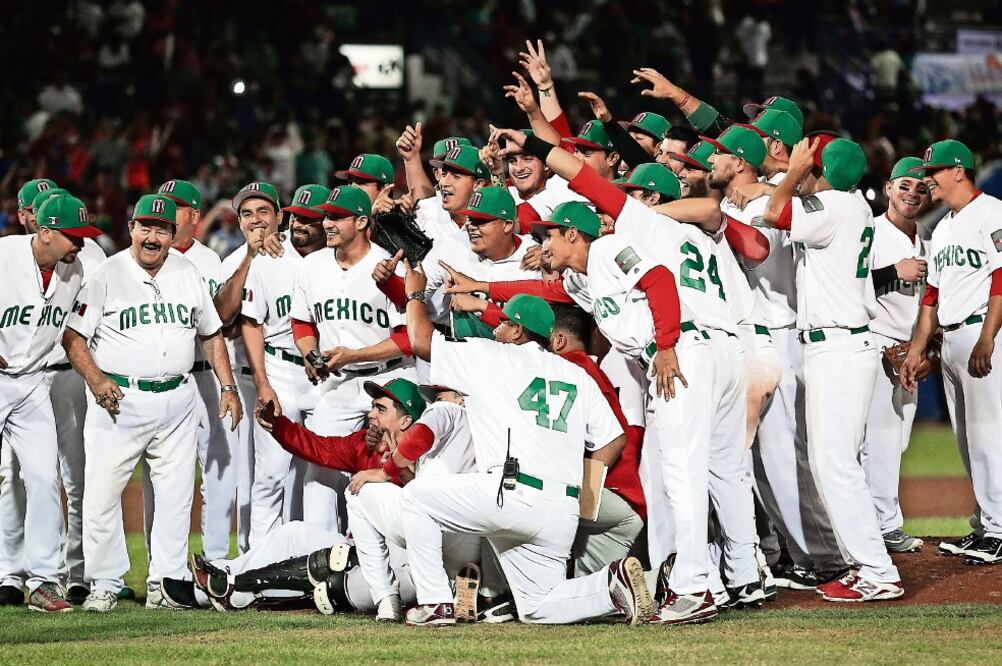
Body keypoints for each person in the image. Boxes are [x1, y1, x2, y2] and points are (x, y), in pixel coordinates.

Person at [400, 279, 647, 627]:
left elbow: (420, 340)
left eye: (503, 323)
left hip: (511, 493)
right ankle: (611, 586)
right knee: (537, 606)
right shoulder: (576, 375)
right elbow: (613, 440)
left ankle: (436, 603)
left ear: (518, 331)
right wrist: (577, 482)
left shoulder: (493, 356)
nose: (496, 328)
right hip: (562, 509)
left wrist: (414, 295)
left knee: (416, 499)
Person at [63, 194, 242, 613]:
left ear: (172, 233)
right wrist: (96, 379)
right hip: (119, 401)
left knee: (177, 496)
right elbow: (73, 338)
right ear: (131, 229)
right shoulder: (107, 274)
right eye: (145, 227)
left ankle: (166, 582)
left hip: (178, 399)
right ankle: (105, 582)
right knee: (102, 494)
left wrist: (228, 387)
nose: (152, 236)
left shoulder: (188, 273)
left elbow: (211, 334)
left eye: (161, 228)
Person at [760, 136, 904, 602]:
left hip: (839, 346)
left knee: (836, 465)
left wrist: (789, 173)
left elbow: (774, 214)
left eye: (811, 160)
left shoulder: (834, 205)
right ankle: (869, 565)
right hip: (838, 343)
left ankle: (878, 570)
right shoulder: (848, 207)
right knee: (835, 464)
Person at [1, 184, 106, 607]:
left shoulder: (75, 271)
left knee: (44, 477)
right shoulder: (4, 255)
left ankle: (43, 580)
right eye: (72, 236)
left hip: (32, 384)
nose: (80, 244)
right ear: (45, 231)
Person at [290, 184, 416, 533]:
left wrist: (355, 355)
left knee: (395, 467)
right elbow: (301, 321)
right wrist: (309, 353)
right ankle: (319, 556)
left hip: (390, 381)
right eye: (326, 216)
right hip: (339, 384)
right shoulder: (312, 266)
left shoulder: (386, 266)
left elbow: (409, 339)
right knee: (318, 466)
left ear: (361, 222)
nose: (327, 223)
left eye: (337, 217)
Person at [902, 139, 1002, 566]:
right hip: (951, 338)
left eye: (935, 171)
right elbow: (932, 296)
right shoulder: (942, 227)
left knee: (988, 435)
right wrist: (916, 349)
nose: (928, 180)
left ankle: (999, 530)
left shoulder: (992, 212)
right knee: (965, 437)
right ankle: (984, 524)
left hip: (982, 331)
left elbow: (1001, 279)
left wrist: (988, 336)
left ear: (959, 171)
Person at [344, 383, 478, 622]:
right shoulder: (489, 422)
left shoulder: (448, 411)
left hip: (433, 524)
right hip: (472, 533)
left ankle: (390, 601)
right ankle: (476, 592)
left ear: (460, 397)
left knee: (357, 492)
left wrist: (384, 472)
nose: (436, 402)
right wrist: (402, 469)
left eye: (440, 395)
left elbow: (420, 438)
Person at [243, 184, 328, 545]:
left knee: (324, 475)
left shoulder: (339, 262)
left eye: (310, 219)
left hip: (327, 376)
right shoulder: (268, 260)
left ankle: (321, 561)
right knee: (270, 475)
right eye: (296, 216)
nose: (299, 224)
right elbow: (251, 323)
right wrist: (263, 383)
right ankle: (259, 565)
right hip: (279, 369)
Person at [863, 157, 931, 554]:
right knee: (880, 439)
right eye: (904, 185)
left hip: (909, 351)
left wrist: (925, 350)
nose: (912, 193)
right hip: (873, 343)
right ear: (888, 188)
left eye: (921, 188)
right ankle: (883, 524)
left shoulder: (929, 240)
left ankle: (874, 520)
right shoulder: (867, 233)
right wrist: (893, 272)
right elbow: (843, 287)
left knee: (897, 439)